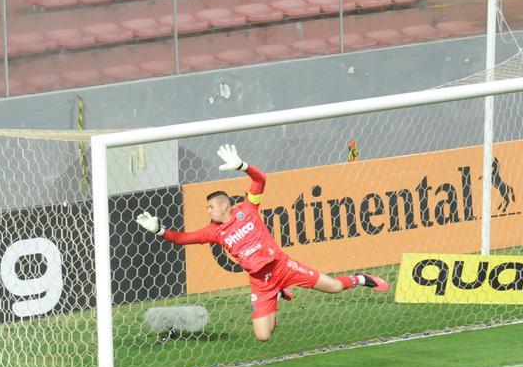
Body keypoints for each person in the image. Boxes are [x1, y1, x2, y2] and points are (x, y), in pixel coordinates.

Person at [136, 145, 388, 341]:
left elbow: (261, 180)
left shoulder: (248, 208)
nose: (209, 211)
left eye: (211, 207)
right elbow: (182, 239)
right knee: (263, 335)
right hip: (261, 282)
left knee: (333, 286)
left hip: (281, 266)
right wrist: (160, 230)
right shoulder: (213, 232)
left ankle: (362, 279)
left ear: (225, 205)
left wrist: (242, 166)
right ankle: (277, 295)